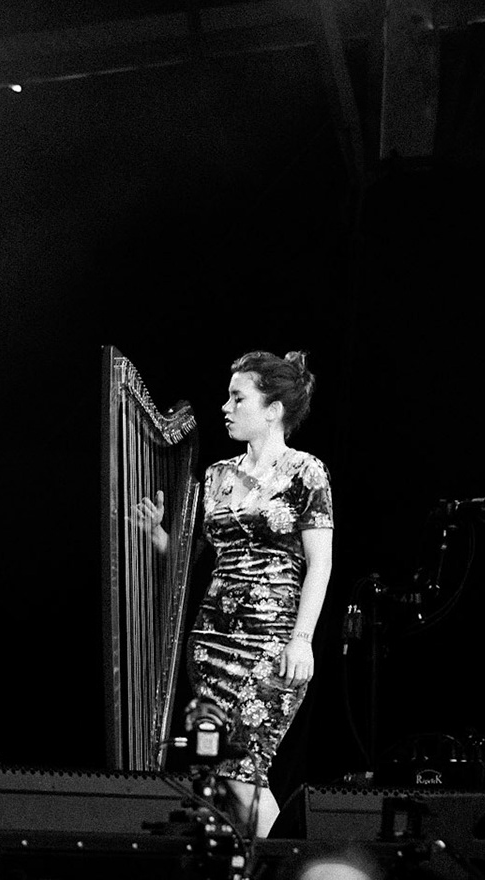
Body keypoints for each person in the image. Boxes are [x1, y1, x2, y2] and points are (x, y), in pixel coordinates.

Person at [132, 350, 334, 837]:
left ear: (273, 409)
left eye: (237, 397)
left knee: (245, 772)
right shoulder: (217, 476)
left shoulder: (306, 472)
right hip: (210, 645)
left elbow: (320, 563)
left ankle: (285, 868)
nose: (225, 406)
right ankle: (255, 868)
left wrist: (302, 639)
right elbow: (192, 557)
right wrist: (162, 541)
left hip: (271, 645)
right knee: (220, 779)